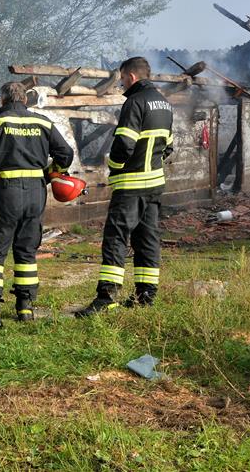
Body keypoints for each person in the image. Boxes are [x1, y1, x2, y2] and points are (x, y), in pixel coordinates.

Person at [0, 81, 74, 328]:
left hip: (6, 192)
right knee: (26, 250)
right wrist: (51, 173)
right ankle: (25, 308)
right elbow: (66, 154)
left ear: (2, 100)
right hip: (36, 194)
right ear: (25, 100)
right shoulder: (43, 122)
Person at [75, 57, 174, 316]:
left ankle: (106, 297)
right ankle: (146, 295)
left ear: (130, 76)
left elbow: (124, 145)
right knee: (147, 239)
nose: (120, 83)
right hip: (154, 184)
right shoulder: (165, 104)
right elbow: (169, 145)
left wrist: (115, 165)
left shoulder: (135, 102)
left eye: (121, 78)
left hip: (131, 184)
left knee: (116, 237)